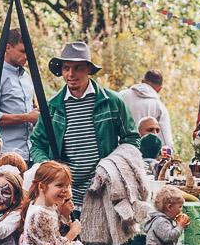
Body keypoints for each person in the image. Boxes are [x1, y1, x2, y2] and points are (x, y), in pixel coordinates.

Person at [25, 41, 142, 207]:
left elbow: (131, 139)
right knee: (70, 232)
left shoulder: (112, 101)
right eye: (66, 68)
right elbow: (37, 143)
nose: (71, 74)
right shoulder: (52, 106)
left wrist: (114, 166)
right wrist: (49, 168)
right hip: (65, 194)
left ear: (88, 69)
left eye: (77, 68)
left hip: (105, 189)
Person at [0, 34, 40, 162]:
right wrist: (27, 117)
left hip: (31, 154)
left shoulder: (27, 77)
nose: (26, 56)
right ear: (8, 47)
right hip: (7, 155)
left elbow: (32, 109)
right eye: (23, 51)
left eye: (28, 52)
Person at [118, 70, 173, 150]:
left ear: (143, 81)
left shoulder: (121, 96)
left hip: (121, 152)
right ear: (160, 89)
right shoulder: (159, 106)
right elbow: (166, 142)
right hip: (145, 155)